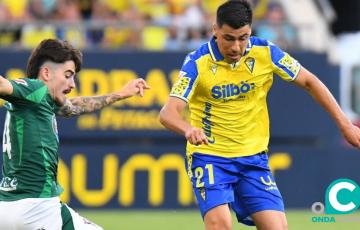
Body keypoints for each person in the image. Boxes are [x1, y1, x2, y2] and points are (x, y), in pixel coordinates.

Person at [159, 1, 360, 230]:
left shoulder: (266, 52)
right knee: (220, 226)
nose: (236, 47)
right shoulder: (197, 63)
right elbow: (167, 113)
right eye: (229, 38)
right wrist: (188, 129)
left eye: (243, 38)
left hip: (253, 159)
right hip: (210, 158)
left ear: (250, 32)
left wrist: (345, 125)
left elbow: (309, 81)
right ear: (215, 30)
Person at [0, 38, 150, 230]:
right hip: (36, 208)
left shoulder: (41, 100)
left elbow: (74, 107)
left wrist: (121, 94)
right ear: (46, 73)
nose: (72, 84)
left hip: (8, 206)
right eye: (68, 75)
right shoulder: (34, 88)